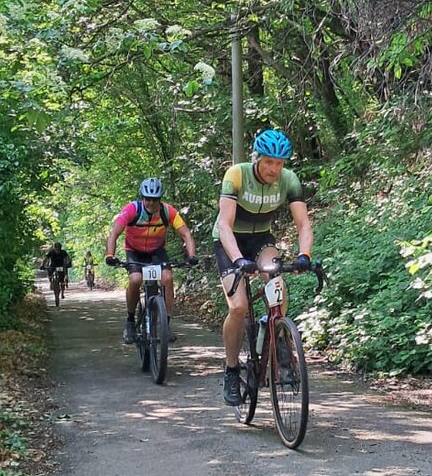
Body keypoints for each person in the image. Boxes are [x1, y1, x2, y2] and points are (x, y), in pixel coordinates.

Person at [213, 128, 313, 405]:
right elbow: (224, 225)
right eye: (269, 162)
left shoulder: (289, 180)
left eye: (279, 163)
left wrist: (304, 254)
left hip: (260, 240)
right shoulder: (237, 174)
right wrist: (238, 260)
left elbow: (303, 223)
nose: (274, 169)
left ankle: (276, 330)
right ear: (258, 159)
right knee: (238, 307)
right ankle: (232, 370)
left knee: (276, 279)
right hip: (228, 240)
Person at [104, 178, 199, 343]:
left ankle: (166, 325)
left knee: (168, 278)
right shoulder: (132, 209)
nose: (150, 203)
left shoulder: (168, 211)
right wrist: (110, 255)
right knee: (135, 279)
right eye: (147, 198)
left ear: (160, 199)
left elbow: (186, 235)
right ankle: (130, 321)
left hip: (156, 251)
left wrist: (191, 256)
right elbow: (114, 233)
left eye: (154, 199)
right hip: (134, 251)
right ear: (142, 197)